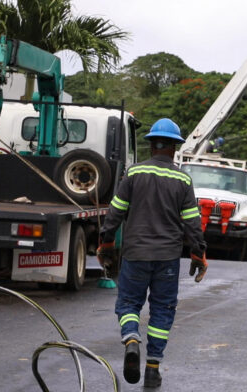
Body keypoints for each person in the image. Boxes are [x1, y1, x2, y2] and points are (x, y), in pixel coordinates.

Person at [96, 117, 207, 388]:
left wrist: (106, 243)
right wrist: (198, 254)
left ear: (151, 146)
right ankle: (153, 368)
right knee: (162, 309)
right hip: (167, 258)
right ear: (174, 148)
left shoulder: (134, 174)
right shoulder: (183, 179)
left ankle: (132, 339)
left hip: (135, 254)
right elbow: (192, 222)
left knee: (128, 304)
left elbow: (115, 212)